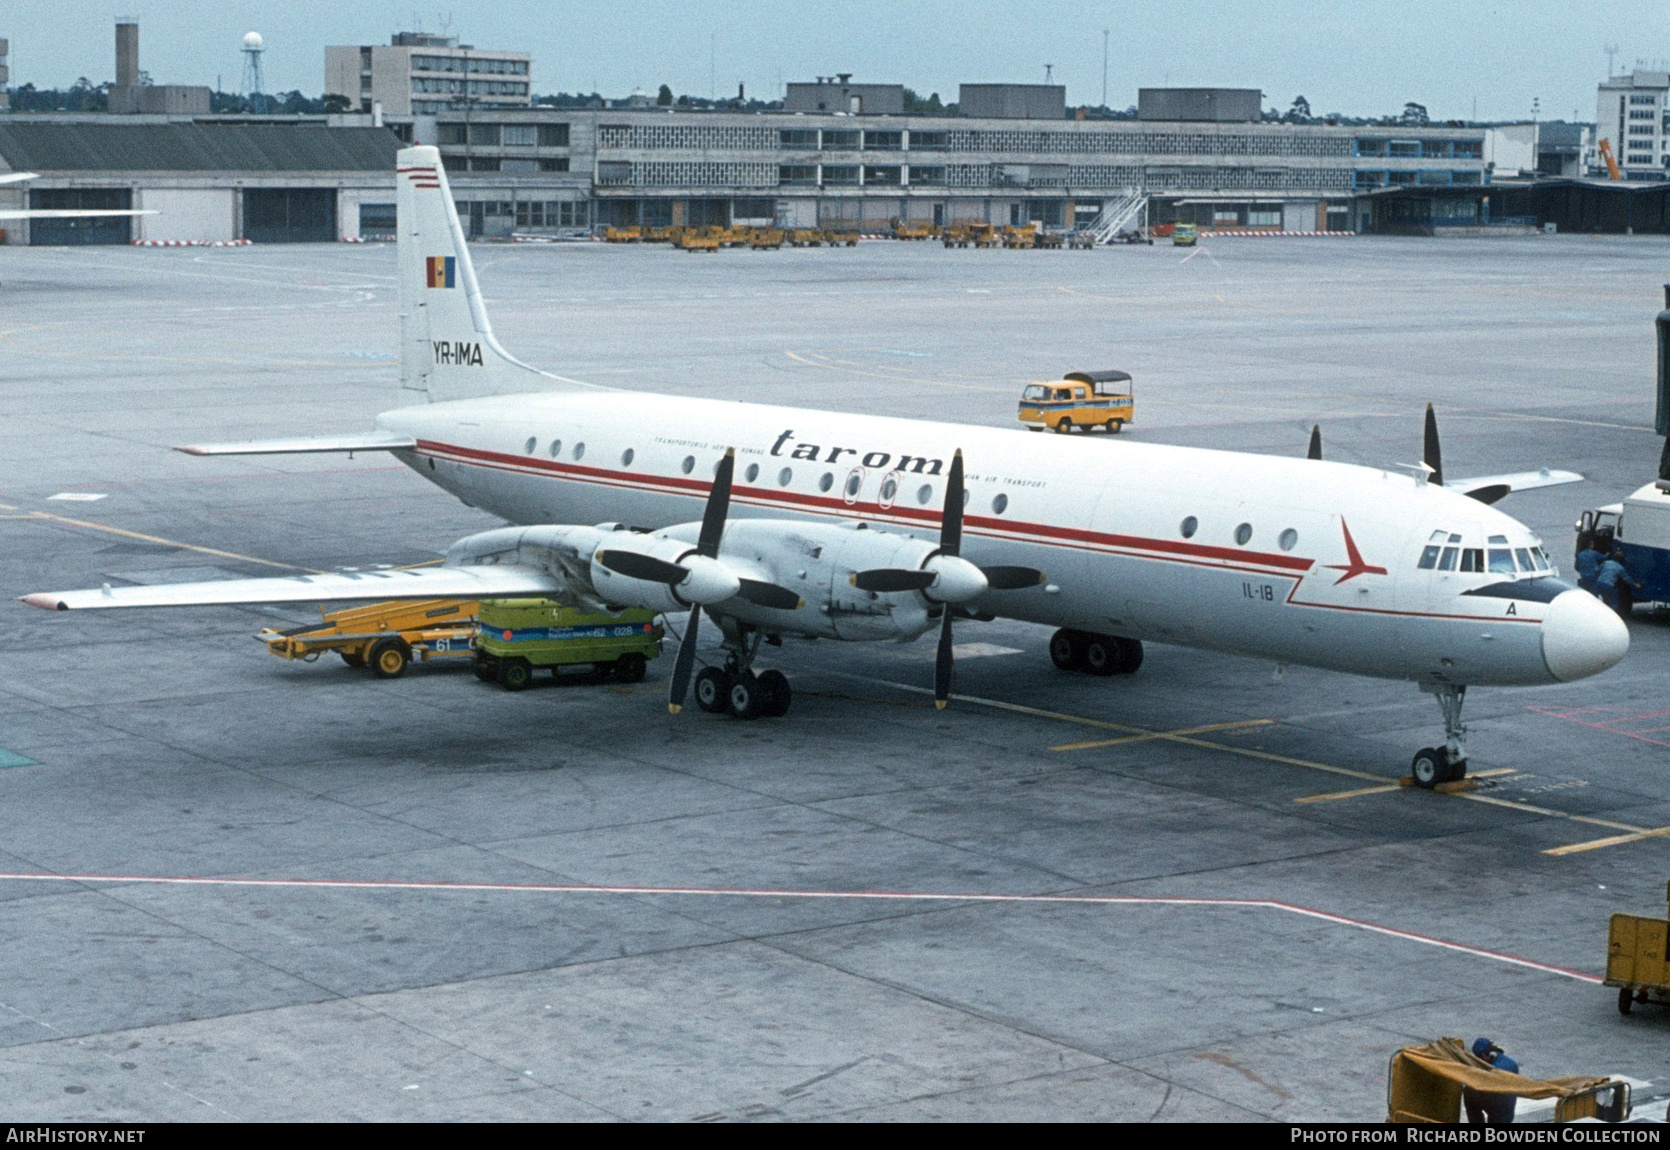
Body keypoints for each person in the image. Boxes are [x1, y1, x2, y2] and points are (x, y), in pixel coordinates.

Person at [1463, 1037, 1520, 1124]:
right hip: (1508, 1111)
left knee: (1468, 1092)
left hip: (1498, 1108)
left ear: (1483, 1055)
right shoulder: (1510, 1062)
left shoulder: (1495, 1070)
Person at [1594, 549, 1641, 617]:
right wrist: (1635, 584)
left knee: (1599, 599)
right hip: (1608, 586)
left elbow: (1596, 571)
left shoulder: (1606, 562)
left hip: (1599, 584)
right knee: (1614, 602)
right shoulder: (1620, 568)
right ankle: (1609, 616)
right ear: (1620, 560)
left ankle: (1597, 612)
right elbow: (1627, 579)